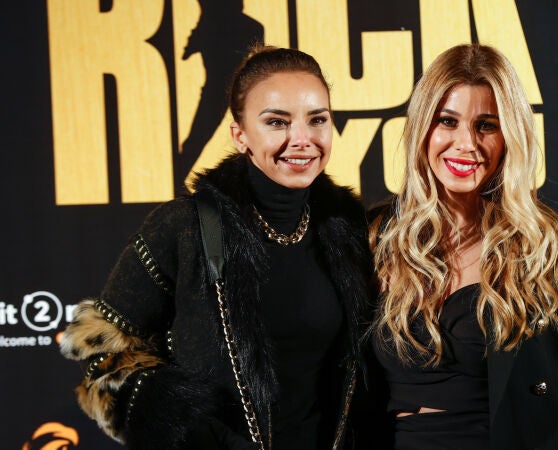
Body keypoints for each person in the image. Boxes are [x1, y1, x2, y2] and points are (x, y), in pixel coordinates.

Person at [60, 45, 374, 450]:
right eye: (276, 122)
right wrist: (190, 429)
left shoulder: (349, 229)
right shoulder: (183, 226)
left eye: (317, 119)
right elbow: (101, 356)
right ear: (240, 135)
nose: (302, 139)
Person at [369, 43, 558, 449]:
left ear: (509, 136)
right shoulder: (377, 237)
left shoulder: (554, 247)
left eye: (486, 125)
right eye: (447, 121)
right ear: (422, 129)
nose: (466, 143)